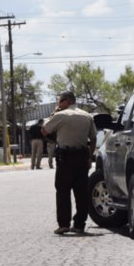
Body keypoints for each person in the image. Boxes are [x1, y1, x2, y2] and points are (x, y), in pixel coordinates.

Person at [42, 91, 96, 234]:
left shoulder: (61, 115)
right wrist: (90, 157)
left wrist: (54, 113)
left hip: (66, 158)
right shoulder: (87, 116)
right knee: (81, 192)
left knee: (63, 190)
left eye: (60, 101)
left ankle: (64, 224)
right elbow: (93, 138)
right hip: (82, 157)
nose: (59, 104)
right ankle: (79, 225)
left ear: (66, 101)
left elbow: (44, 130)